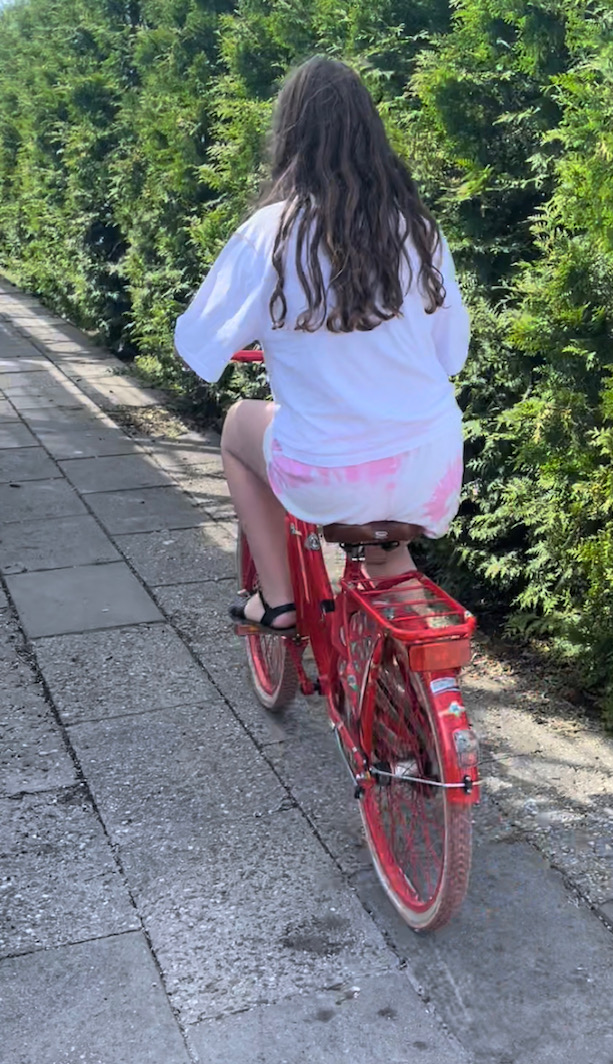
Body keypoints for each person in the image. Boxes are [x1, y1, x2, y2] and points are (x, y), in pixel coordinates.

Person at [174, 54, 470, 634]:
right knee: (389, 554)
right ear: (371, 134)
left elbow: (199, 343)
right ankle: (433, 675)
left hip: (329, 470)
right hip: (429, 464)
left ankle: (278, 602)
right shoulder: (418, 229)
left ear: (291, 137)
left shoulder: (271, 231)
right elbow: (449, 354)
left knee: (237, 427)